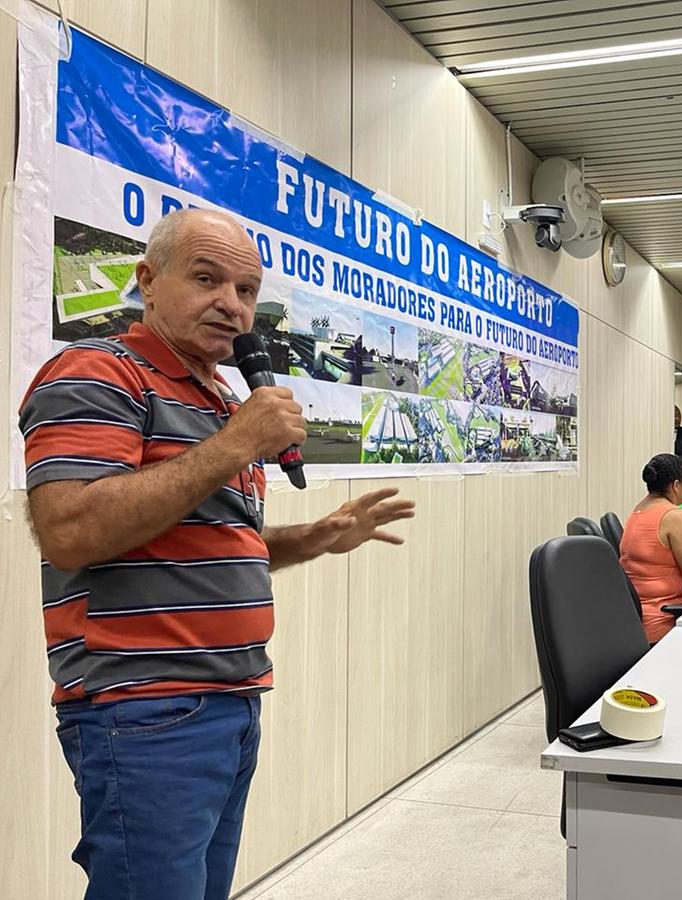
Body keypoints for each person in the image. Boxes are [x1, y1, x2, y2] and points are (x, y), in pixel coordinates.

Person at [18, 209, 417, 899]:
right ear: (147, 279)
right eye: (207, 279)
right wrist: (235, 444)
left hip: (230, 706)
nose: (231, 305)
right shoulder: (98, 371)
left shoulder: (216, 398)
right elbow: (71, 531)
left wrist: (315, 537)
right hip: (145, 714)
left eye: (246, 289)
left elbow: (212, 542)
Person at [620, 453, 682, 642]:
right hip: (666, 622)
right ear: (676, 485)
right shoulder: (674, 517)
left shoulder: (639, 510)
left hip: (636, 622)